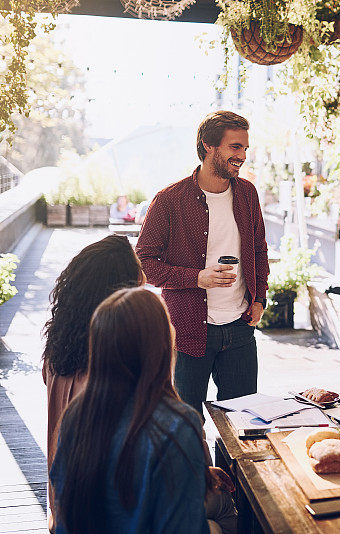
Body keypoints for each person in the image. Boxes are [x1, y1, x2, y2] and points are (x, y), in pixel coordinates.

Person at [50, 288, 234, 534]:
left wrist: (195, 474)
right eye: (169, 321)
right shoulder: (177, 423)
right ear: (159, 345)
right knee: (222, 518)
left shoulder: (77, 413)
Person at [136, 111, 269, 416]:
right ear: (208, 145)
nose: (242, 156)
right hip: (188, 331)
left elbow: (259, 250)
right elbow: (145, 263)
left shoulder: (247, 194)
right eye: (235, 147)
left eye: (245, 149)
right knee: (185, 423)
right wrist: (197, 278)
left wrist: (260, 299)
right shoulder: (169, 200)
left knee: (243, 421)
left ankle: (229, 468)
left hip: (240, 328)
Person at [42, 235, 144, 526]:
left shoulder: (59, 346)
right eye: (137, 266)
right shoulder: (115, 359)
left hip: (62, 501)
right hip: (104, 509)